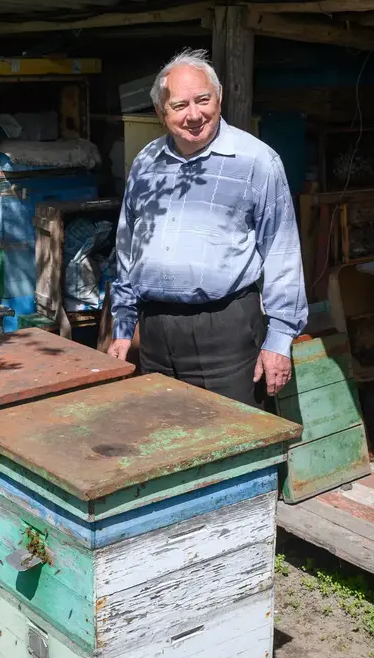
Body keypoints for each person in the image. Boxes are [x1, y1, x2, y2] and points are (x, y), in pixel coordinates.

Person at [107, 48, 308, 407]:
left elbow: (282, 252)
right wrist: (123, 327)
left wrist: (278, 341)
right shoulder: (146, 163)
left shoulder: (256, 161)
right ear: (160, 112)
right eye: (180, 105)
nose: (194, 115)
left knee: (234, 441)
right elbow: (127, 248)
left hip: (225, 330)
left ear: (219, 99)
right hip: (154, 328)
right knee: (161, 435)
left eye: (203, 100)